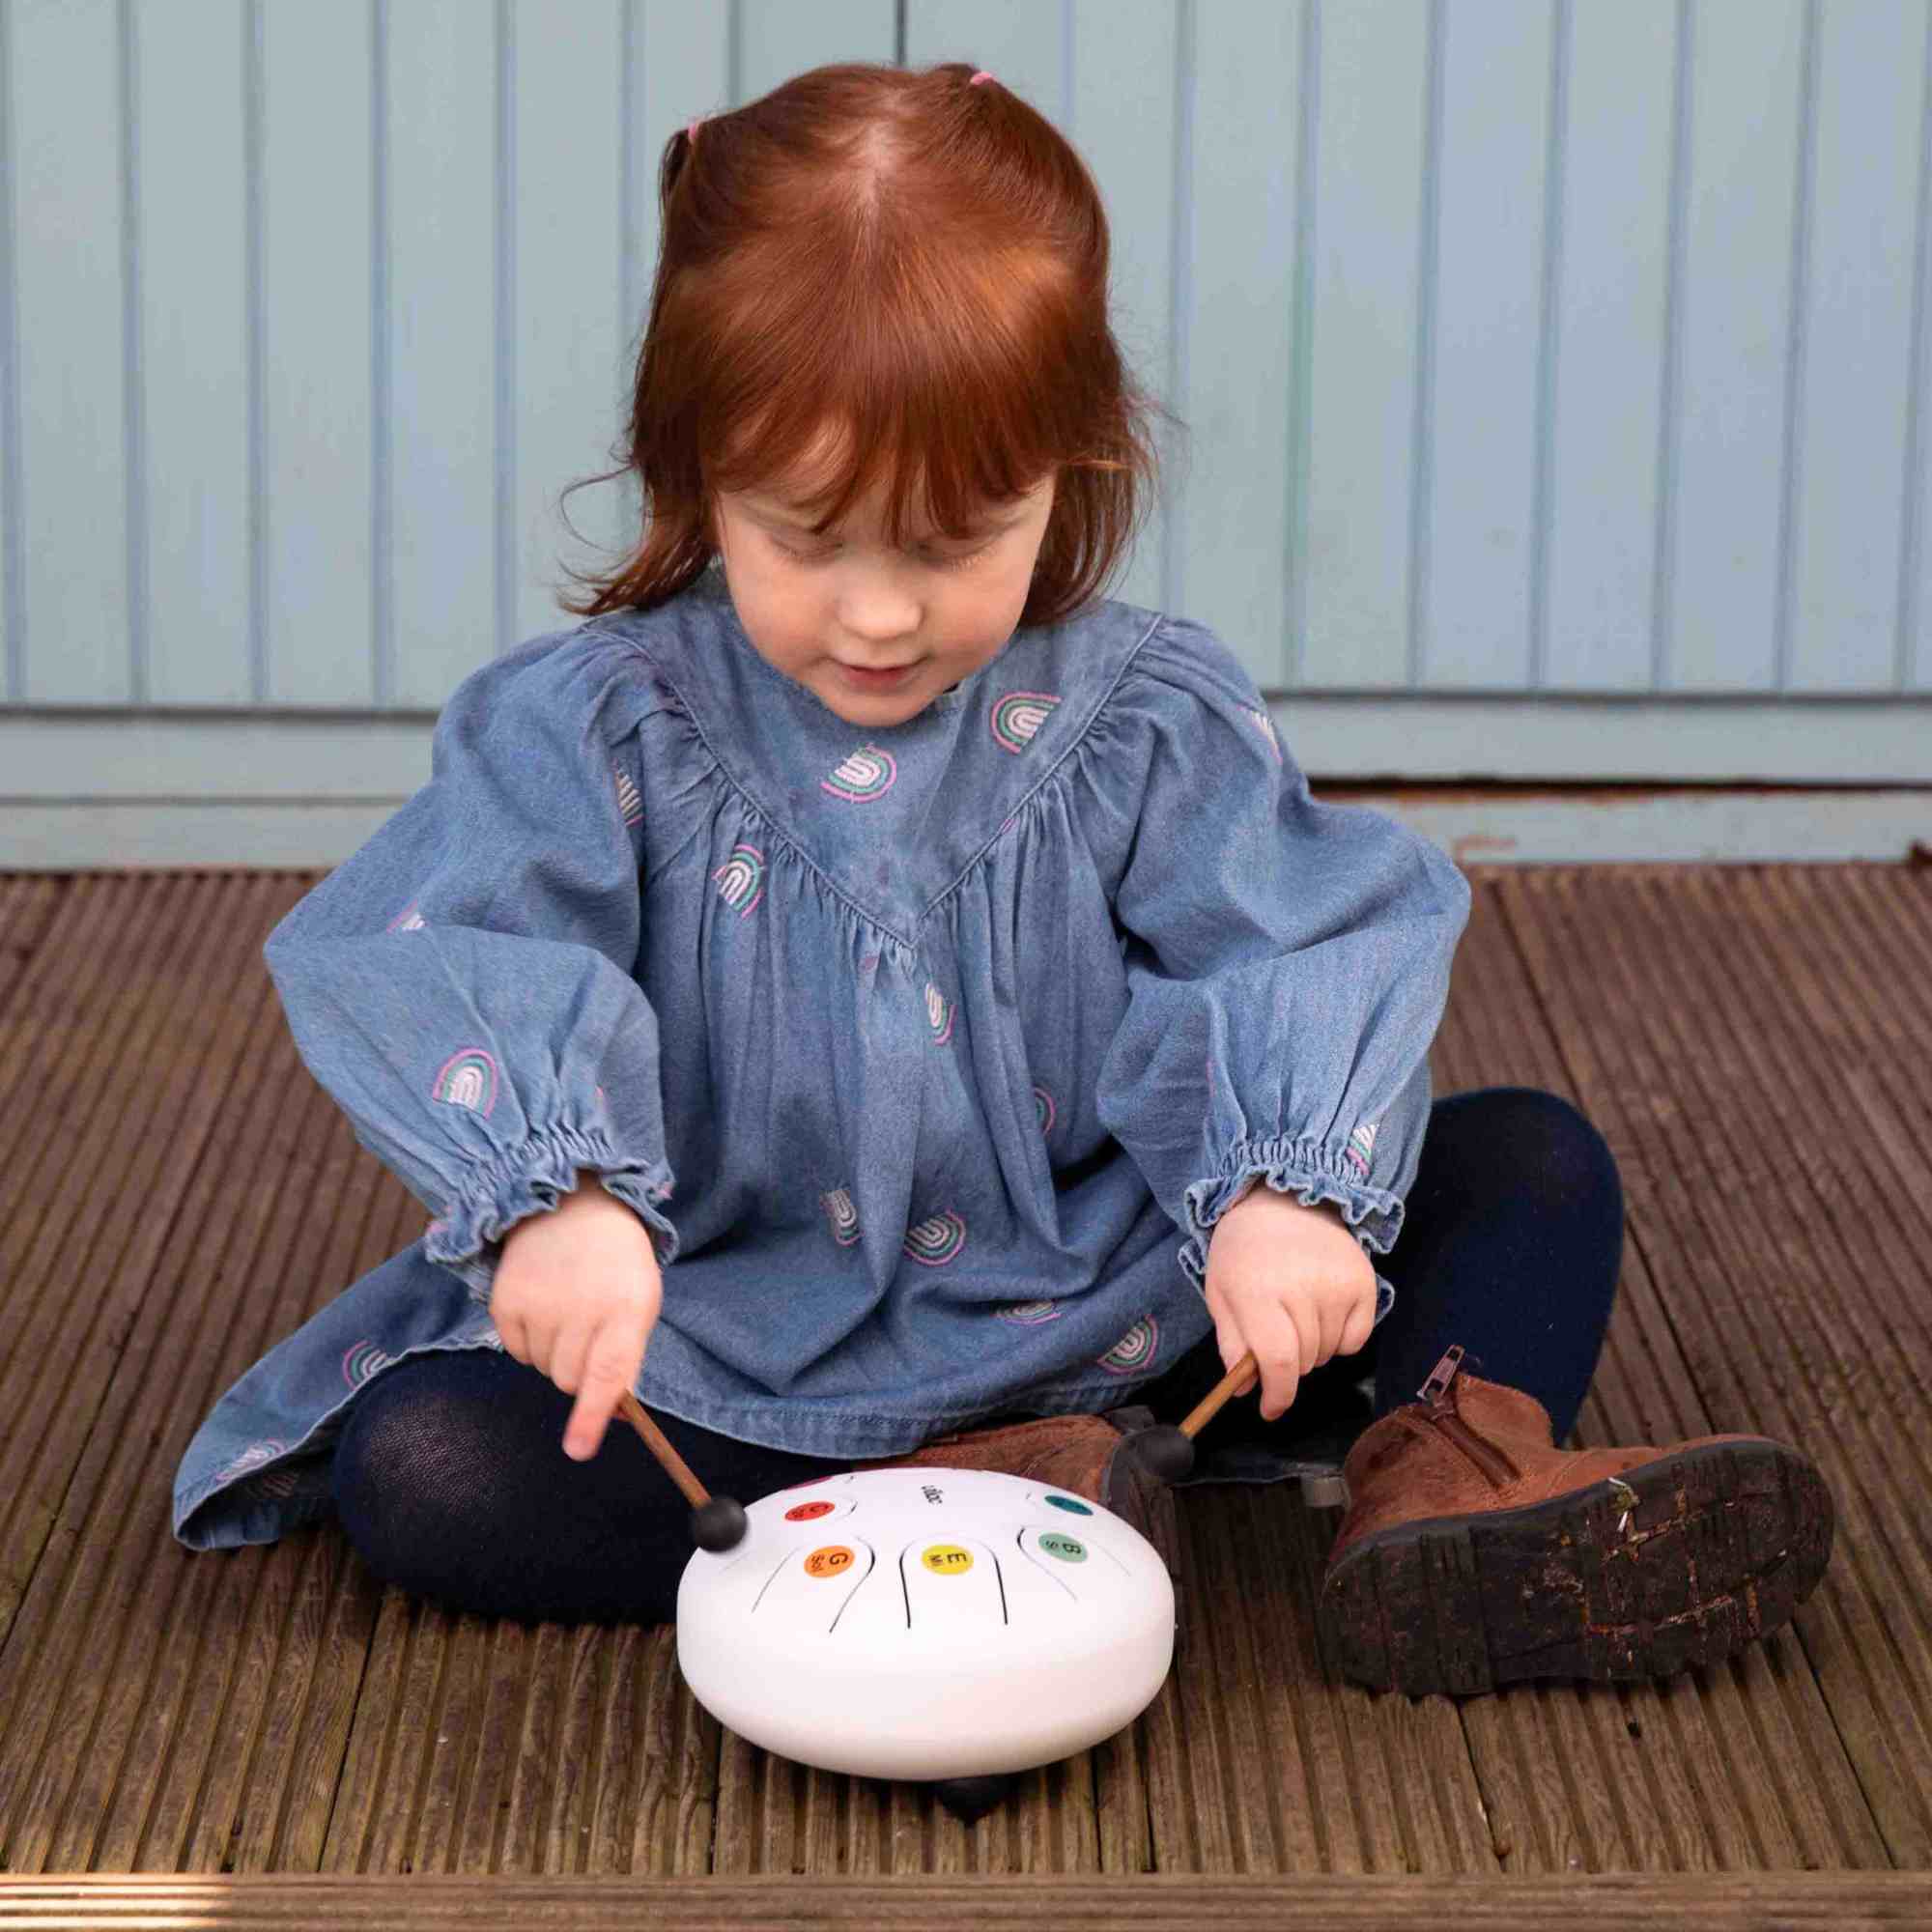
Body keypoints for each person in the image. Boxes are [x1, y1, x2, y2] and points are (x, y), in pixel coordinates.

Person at [172, 61, 1833, 1696]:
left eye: (957, 537)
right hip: (744, 1354)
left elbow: (1291, 941)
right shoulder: (598, 726)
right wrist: (563, 1202)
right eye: (808, 539)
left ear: (1075, 463)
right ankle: (1033, 1487)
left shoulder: (1140, 718)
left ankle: (1436, 1488)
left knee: (1531, 1165)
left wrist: (1285, 1197)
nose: (880, 618)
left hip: (1136, 1310)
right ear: (695, 473)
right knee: (429, 1467)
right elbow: (450, 941)